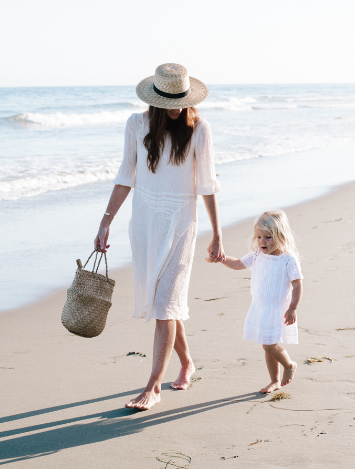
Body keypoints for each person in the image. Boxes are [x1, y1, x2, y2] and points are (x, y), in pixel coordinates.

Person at [95, 63, 224, 410]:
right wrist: (105, 222)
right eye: (169, 100)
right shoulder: (136, 125)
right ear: (155, 100)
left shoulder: (200, 129)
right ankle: (186, 363)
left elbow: (207, 186)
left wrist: (217, 234)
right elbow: (125, 176)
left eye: (181, 99)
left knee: (165, 305)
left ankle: (153, 387)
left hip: (182, 222)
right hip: (145, 222)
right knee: (162, 304)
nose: (177, 107)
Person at [207, 210, 303, 394]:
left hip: (278, 310)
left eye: (268, 237)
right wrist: (222, 258)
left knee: (269, 344)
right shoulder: (258, 255)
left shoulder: (288, 260)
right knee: (267, 345)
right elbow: (238, 264)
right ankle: (274, 381)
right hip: (260, 308)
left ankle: (289, 365)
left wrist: (293, 308)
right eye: (259, 237)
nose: (262, 242)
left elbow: (298, 285)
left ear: (280, 236)